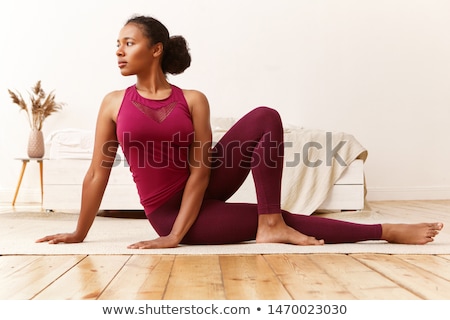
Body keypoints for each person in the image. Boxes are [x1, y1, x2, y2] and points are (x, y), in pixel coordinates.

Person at [37, 16, 443, 249]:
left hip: (205, 184)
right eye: (118, 44)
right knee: (286, 217)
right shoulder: (113, 102)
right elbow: (97, 173)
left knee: (265, 116)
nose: (119, 51)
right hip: (168, 213)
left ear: (156, 49)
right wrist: (80, 232)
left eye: (129, 42)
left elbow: (199, 171)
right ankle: (383, 231)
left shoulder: (192, 99)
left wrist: (178, 237)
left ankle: (270, 224)